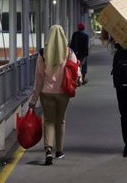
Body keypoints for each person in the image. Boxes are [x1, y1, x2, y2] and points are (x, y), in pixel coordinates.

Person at [29, 25, 81, 165]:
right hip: (63, 92)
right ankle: (59, 151)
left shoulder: (43, 53)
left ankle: (48, 150)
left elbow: (39, 78)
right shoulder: (69, 52)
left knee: (48, 121)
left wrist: (33, 100)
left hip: (46, 92)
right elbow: (77, 70)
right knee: (61, 121)